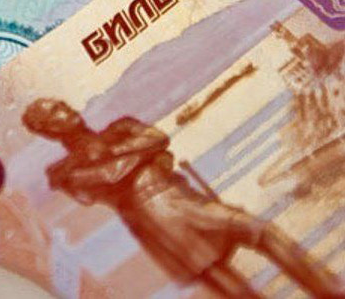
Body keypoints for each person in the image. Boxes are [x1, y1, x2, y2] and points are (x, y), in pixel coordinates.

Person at [21, 98, 344, 298]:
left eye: (62, 105)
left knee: (262, 231)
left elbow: (158, 138)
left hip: (183, 197)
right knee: (224, 280)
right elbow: (111, 176)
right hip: (155, 220)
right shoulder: (64, 171)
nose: (66, 110)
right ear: (48, 129)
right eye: (55, 112)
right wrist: (140, 153)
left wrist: (126, 153)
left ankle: (330, 292)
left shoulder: (120, 128)